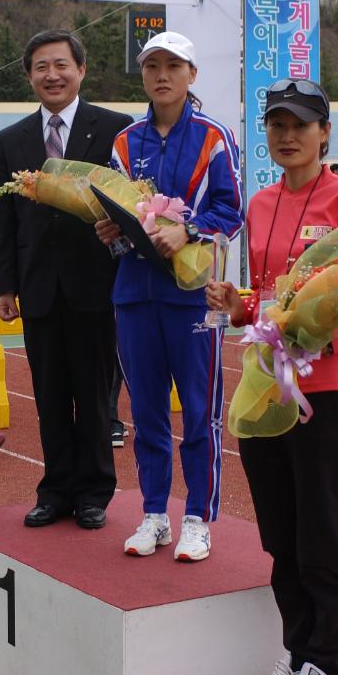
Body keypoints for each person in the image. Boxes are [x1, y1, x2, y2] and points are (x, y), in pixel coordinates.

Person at [205, 78, 338, 675]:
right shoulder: (259, 205)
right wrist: (239, 309)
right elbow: (266, 296)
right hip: (267, 387)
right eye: (277, 125)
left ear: (325, 133)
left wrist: (324, 338)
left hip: (328, 391)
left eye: (301, 125)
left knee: (324, 528)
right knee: (280, 531)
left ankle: (329, 667)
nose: (287, 136)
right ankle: (298, 649)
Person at [95, 31, 243, 562]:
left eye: (173, 66)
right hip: (134, 293)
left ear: (191, 75)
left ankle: (198, 518)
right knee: (148, 412)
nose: (162, 75)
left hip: (193, 297)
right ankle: (155, 513)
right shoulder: (123, 143)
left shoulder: (214, 137)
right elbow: (113, 210)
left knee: (200, 413)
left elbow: (232, 210)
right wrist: (110, 233)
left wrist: (190, 230)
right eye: (152, 65)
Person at [0, 29, 132, 531]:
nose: (52, 75)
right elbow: (4, 218)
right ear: (29, 76)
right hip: (39, 288)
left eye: (61, 65)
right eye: (41, 67)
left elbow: (130, 205)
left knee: (94, 396)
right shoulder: (10, 140)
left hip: (97, 283)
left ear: (81, 70)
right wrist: (5, 286)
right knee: (49, 395)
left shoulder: (116, 129)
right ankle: (55, 490)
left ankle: (94, 491)